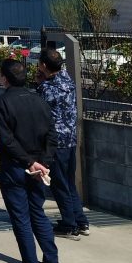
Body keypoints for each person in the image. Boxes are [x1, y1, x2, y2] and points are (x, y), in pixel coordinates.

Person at [0, 58, 62, 263]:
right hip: (39, 167)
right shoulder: (40, 101)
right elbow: (52, 135)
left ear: (4, 78)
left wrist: (29, 163)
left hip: (15, 166)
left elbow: (7, 139)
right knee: (37, 213)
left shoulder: (0, 103)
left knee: (21, 218)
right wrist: (44, 163)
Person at [36, 48, 90, 239]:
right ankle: (81, 221)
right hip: (70, 139)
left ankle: (69, 225)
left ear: (43, 65)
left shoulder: (46, 89)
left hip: (55, 142)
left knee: (59, 185)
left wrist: (40, 84)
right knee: (69, 182)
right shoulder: (67, 81)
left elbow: (40, 107)